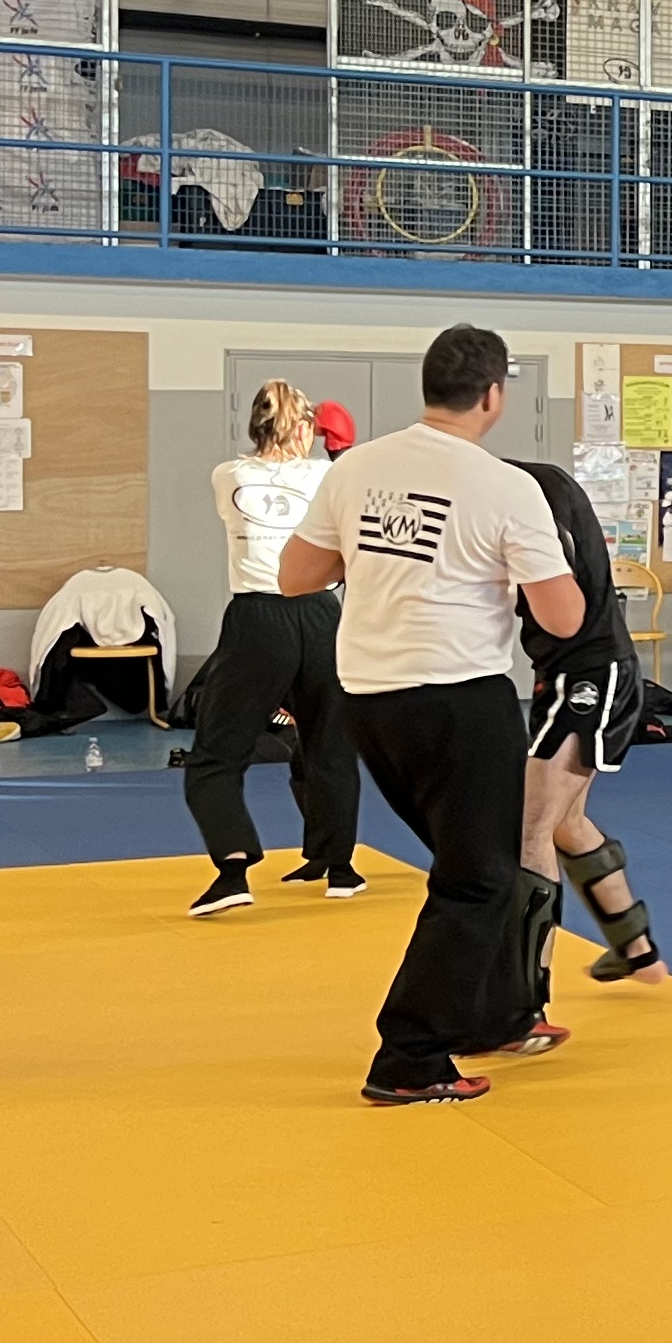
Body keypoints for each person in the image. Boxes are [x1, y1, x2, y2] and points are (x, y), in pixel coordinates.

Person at [281, 325, 585, 1105]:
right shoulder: (505, 485)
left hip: (368, 700)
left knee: (472, 867)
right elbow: (562, 618)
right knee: (478, 880)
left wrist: (380, 552)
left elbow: (295, 576)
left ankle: (488, 1017)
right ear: (493, 395)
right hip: (458, 698)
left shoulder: (357, 468)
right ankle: (408, 1058)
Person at [183, 379, 361, 917]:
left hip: (259, 619)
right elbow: (351, 499)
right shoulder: (329, 473)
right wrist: (337, 449)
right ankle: (340, 867)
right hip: (322, 616)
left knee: (215, 756)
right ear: (306, 428)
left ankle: (233, 870)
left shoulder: (228, 475)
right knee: (328, 744)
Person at [514, 456, 668, 987]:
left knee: (529, 830)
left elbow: (561, 603)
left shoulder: (528, 500)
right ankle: (636, 950)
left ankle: (525, 992)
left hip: (588, 677)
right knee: (565, 823)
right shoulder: (542, 483)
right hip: (577, 671)